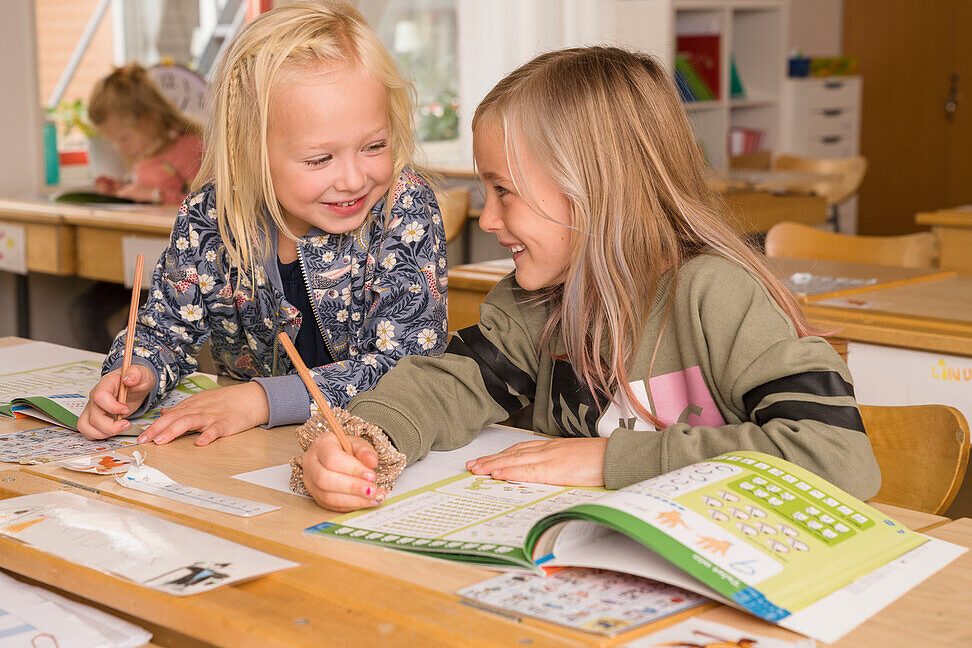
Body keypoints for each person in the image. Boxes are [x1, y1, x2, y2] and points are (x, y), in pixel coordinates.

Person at [297, 46, 881, 512]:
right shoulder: (533, 301)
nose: (490, 219)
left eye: (503, 191)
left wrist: (609, 460)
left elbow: (837, 457)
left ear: (596, 192)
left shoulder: (717, 295)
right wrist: (366, 438)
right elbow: (445, 386)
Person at [76, 0, 449, 445]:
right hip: (246, 452)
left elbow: (409, 368)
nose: (353, 178)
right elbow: (163, 328)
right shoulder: (210, 216)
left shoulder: (402, 210)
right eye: (319, 158)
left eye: (374, 146)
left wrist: (260, 400)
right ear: (248, 152)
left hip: (363, 449)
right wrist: (136, 372)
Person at [88, 62, 204, 205]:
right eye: (114, 141)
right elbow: (146, 194)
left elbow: (205, 208)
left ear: (150, 119)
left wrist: (157, 196)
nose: (119, 147)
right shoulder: (145, 155)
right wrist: (121, 191)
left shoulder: (190, 148)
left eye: (123, 139)